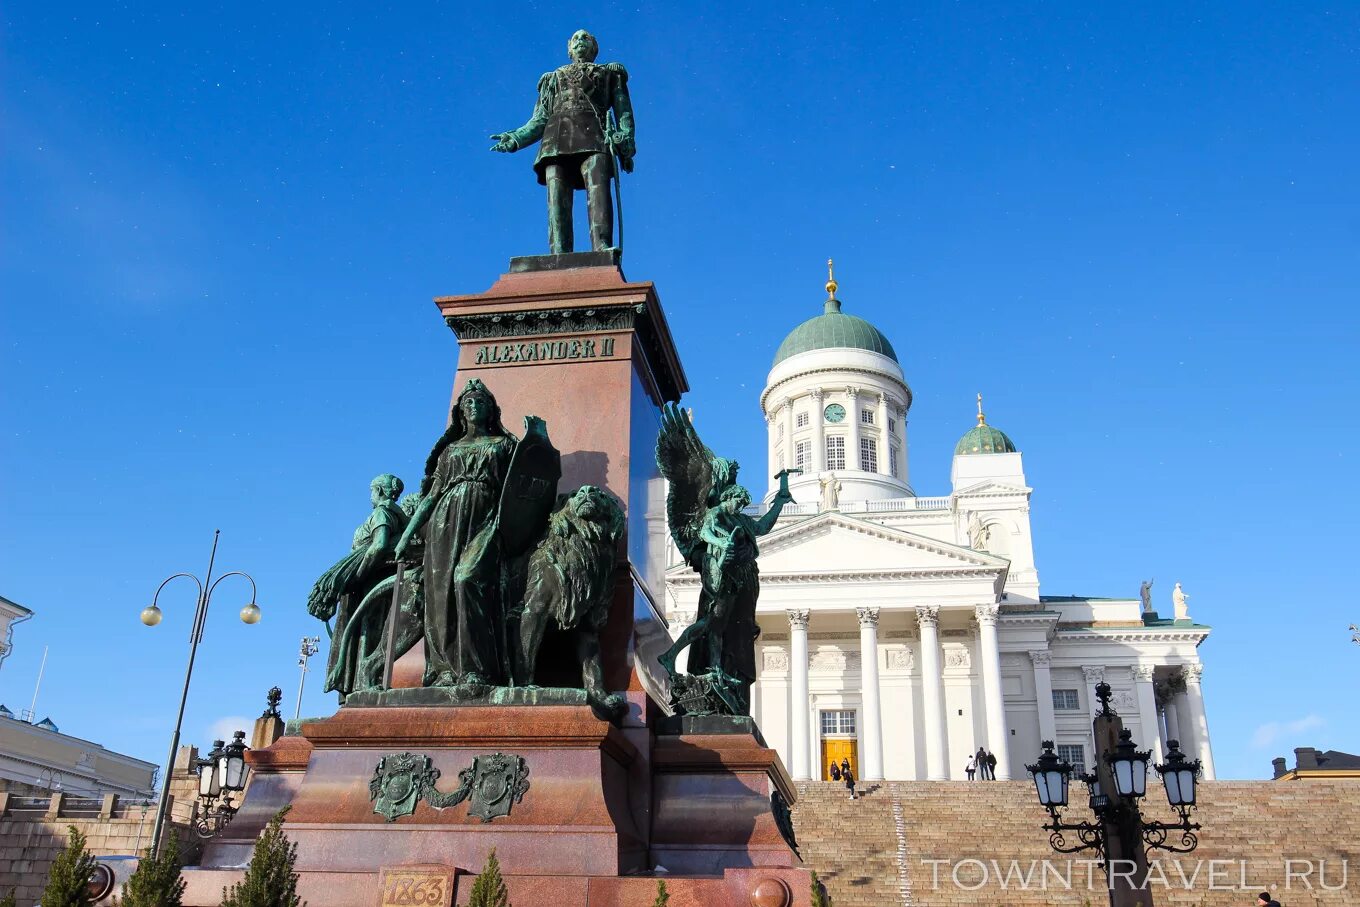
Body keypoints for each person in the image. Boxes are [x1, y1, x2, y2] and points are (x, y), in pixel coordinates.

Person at [397, 379, 518, 687]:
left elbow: (519, 490)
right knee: (441, 594)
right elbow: (432, 495)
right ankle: (446, 669)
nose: (474, 406)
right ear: (461, 413)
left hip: (487, 520)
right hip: (445, 522)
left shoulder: (504, 445)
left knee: (466, 580)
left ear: (491, 410)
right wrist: (407, 533)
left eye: (480, 402)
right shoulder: (450, 450)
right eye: (468, 403)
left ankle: (478, 667)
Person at [490, 30, 636, 254]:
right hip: (556, 138)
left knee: (599, 191)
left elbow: (623, 111)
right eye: (576, 39)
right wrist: (515, 138)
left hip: (595, 136)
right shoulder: (552, 78)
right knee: (557, 199)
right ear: (569, 48)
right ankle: (559, 253)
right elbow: (539, 119)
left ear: (595, 48)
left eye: (585, 38)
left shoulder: (610, 74)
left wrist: (625, 138)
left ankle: (601, 246)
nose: (580, 42)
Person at [307, 473, 409, 701]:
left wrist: (356, 575)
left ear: (380, 492)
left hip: (365, 583)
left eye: (372, 491)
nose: (371, 496)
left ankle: (359, 686)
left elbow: (378, 546)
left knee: (362, 632)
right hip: (373, 582)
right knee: (364, 632)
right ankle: (358, 687)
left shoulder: (382, 513)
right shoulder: (398, 517)